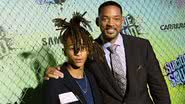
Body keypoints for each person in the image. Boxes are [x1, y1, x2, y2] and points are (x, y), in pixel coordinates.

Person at [45, 1, 171, 104]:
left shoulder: (141, 46)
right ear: (97, 21)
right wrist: (52, 71)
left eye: (116, 19)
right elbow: (75, 65)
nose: (111, 24)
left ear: (122, 21)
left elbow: (158, 86)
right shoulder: (90, 50)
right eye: (105, 19)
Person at [42, 12, 103, 104]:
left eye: (82, 48)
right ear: (64, 51)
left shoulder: (91, 76)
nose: (78, 53)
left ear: (88, 50)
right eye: (72, 48)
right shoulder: (55, 81)